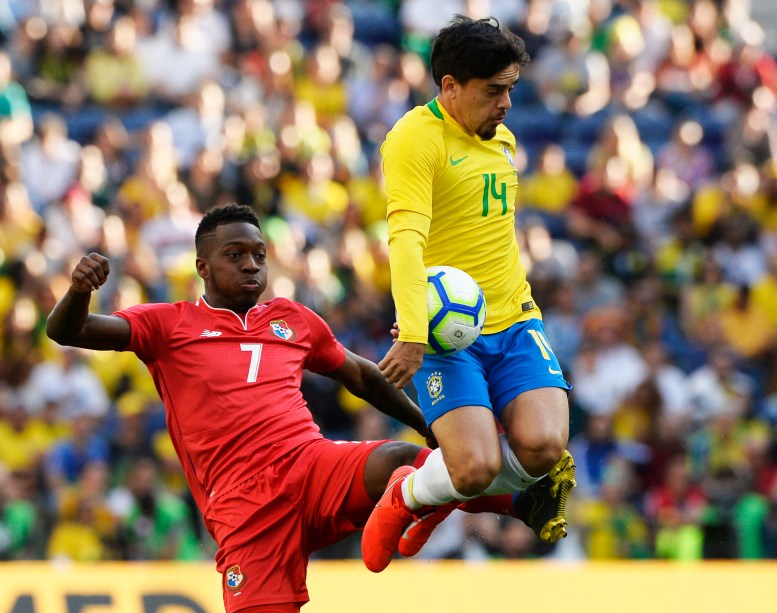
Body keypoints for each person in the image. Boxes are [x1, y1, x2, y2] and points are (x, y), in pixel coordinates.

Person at [44, 203, 439, 612]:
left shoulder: (293, 319)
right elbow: (66, 330)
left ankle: (507, 500)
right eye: (235, 256)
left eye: (259, 255)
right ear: (203, 267)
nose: (251, 265)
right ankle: (417, 505)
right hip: (245, 507)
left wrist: (426, 424)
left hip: (310, 466)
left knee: (406, 458)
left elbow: (363, 376)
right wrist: (79, 291)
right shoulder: (168, 325)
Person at [362, 16, 576, 573]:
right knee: (475, 467)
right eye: (493, 90)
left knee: (545, 446)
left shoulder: (500, 138)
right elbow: (405, 241)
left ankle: (435, 491)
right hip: (444, 332)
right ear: (450, 86)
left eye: (510, 88)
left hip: (515, 318)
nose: (506, 102)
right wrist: (411, 332)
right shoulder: (413, 139)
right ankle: (410, 495)